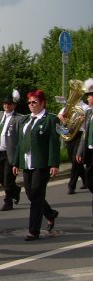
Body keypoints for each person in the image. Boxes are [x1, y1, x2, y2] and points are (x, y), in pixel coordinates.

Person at [12, 89, 60, 241]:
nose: (31, 105)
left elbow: (54, 143)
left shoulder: (51, 119)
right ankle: (50, 213)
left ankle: (34, 231)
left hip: (41, 163)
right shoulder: (25, 120)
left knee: (37, 195)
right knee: (30, 194)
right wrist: (16, 162)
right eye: (29, 102)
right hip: (27, 163)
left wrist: (54, 163)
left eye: (34, 102)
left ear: (43, 103)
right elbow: (20, 143)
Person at [0, 90, 23, 210]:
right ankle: (15, 190)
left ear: (14, 105)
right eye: (5, 104)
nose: (6, 106)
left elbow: (20, 139)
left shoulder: (18, 118)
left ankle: (8, 202)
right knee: (0, 177)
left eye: (9, 104)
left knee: (8, 179)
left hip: (10, 153)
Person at [58, 87, 88, 194]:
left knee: (76, 161)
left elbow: (87, 119)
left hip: (80, 134)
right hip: (70, 133)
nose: (72, 95)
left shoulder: (85, 107)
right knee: (73, 159)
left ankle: (71, 185)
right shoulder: (69, 106)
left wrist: (82, 118)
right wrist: (65, 120)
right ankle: (86, 180)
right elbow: (60, 115)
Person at [76, 78, 93, 221]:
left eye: (90, 96)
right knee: (90, 182)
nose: (88, 98)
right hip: (90, 152)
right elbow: (84, 134)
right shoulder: (88, 113)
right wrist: (80, 151)